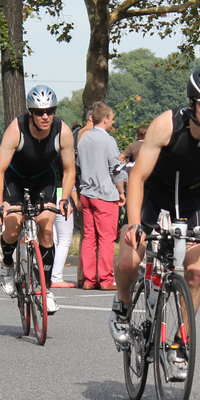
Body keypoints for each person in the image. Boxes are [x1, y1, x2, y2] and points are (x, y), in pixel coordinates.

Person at [110, 66, 200, 348]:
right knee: (129, 260)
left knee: (196, 275)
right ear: (192, 103)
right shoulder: (167, 125)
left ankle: (179, 343)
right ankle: (122, 308)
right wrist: (134, 224)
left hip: (192, 198)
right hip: (153, 193)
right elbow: (137, 176)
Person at [0, 85, 76, 316]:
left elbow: (69, 170)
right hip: (14, 178)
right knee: (12, 225)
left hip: (44, 179)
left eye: (50, 111)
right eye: (39, 112)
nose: (45, 116)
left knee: (47, 229)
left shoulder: (62, 131)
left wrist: (65, 198)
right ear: (31, 113)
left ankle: (46, 290)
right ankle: (8, 265)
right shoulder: (16, 129)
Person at [77, 102, 125, 290]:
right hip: (105, 194)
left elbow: (79, 166)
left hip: (86, 193)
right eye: (112, 118)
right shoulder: (108, 141)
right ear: (105, 119)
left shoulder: (83, 140)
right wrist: (121, 191)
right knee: (106, 238)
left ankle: (89, 280)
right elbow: (116, 169)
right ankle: (105, 280)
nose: (112, 121)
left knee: (89, 237)